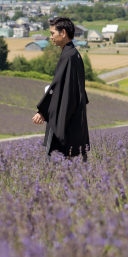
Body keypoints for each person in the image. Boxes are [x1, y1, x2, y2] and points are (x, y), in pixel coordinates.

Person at [33, 17, 90, 160]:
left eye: (53, 33)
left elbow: (59, 89)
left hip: (67, 121)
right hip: (74, 119)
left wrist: (43, 111)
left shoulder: (69, 57)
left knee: (61, 164)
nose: (51, 37)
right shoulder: (73, 54)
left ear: (63, 32)